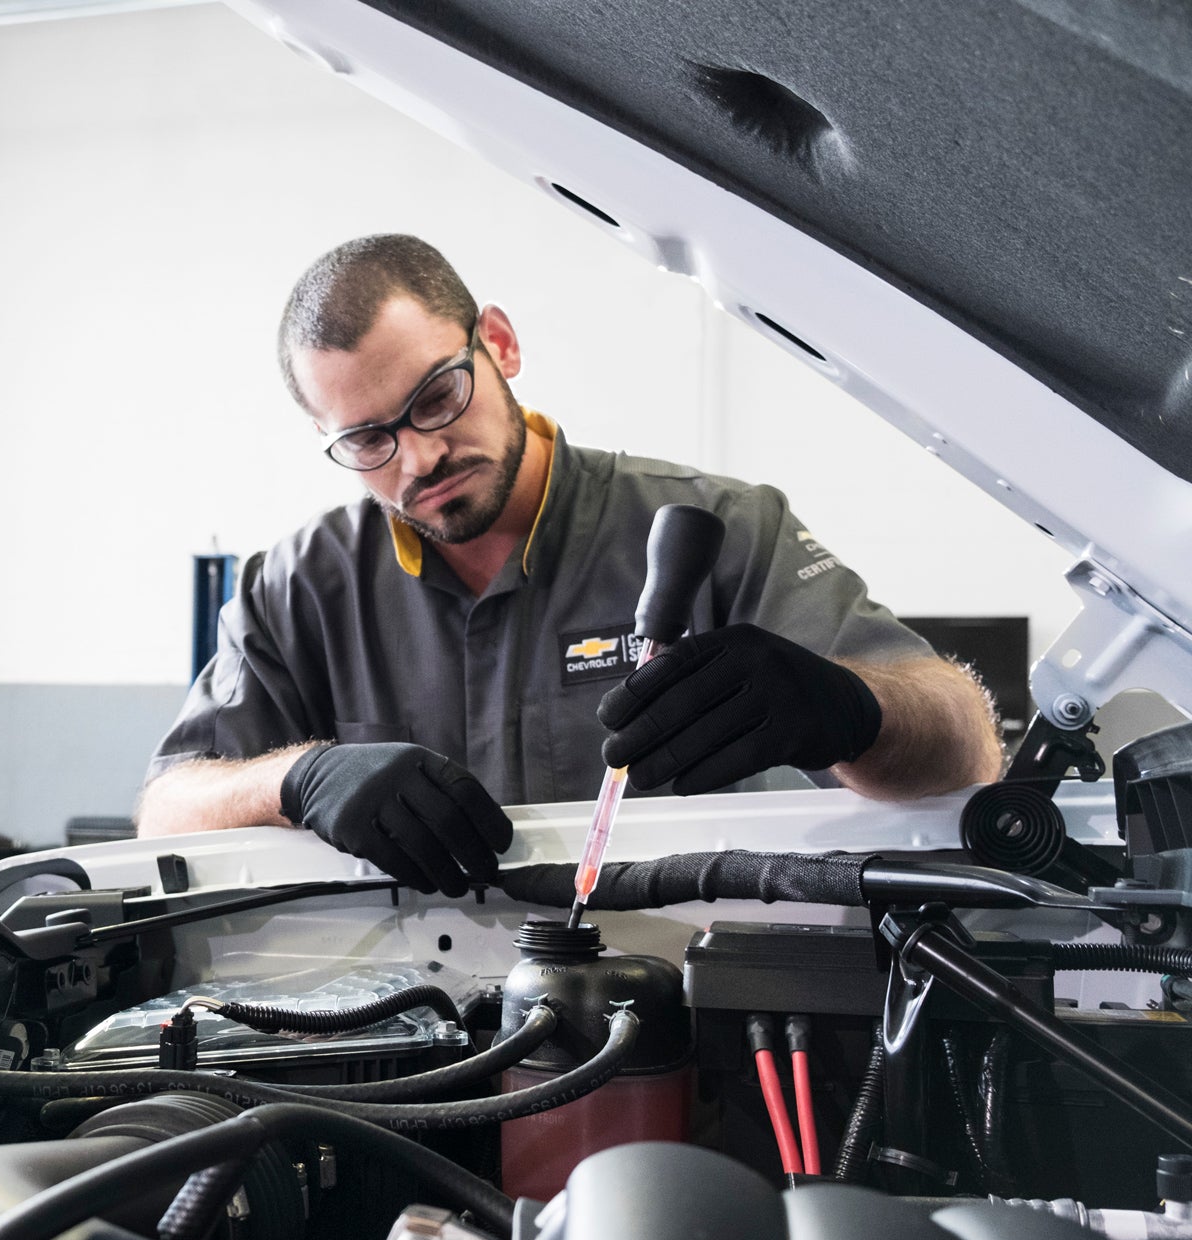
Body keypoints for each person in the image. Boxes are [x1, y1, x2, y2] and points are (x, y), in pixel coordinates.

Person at [135, 235, 1001, 895]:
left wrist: (848, 709)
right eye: (368, 439)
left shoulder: (726, 529)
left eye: (437, 396)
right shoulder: (295, 588)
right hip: (427, 1035)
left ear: (499, 344)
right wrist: (298, 777)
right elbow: (164, 814)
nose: (420, 458)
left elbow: (968, 750)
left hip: (699, 1019)